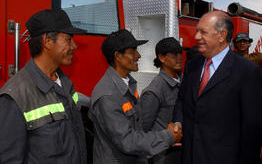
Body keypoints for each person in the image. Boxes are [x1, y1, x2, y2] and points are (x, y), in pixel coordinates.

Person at [0, 9, 88, 163]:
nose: (74, 46)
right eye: (68, 39)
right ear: (47, 41)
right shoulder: (14, 97)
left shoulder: (66, 84)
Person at [173, 11, 262, 164]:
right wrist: (178, 123)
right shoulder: (192, 66)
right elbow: (182, 100)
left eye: (203, 32)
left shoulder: (246, 71)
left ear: (222, 35)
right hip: (190, 156)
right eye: (197, 31)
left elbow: (252, 128)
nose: (196, 37)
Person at [88, 29, 182, 164]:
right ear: (118, 56)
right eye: (133, 51)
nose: (138, 56)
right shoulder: (107, 95)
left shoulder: (127, 84)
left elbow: (139, 130)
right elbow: (128, 141)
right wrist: (168, 137)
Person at [139, 37, 182, 164]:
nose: (179, 57)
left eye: (180, 53)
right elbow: (143, 129)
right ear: (162, 58)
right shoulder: (154, 90)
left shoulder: (182, 81)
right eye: (174, 54)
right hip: (163, 156)